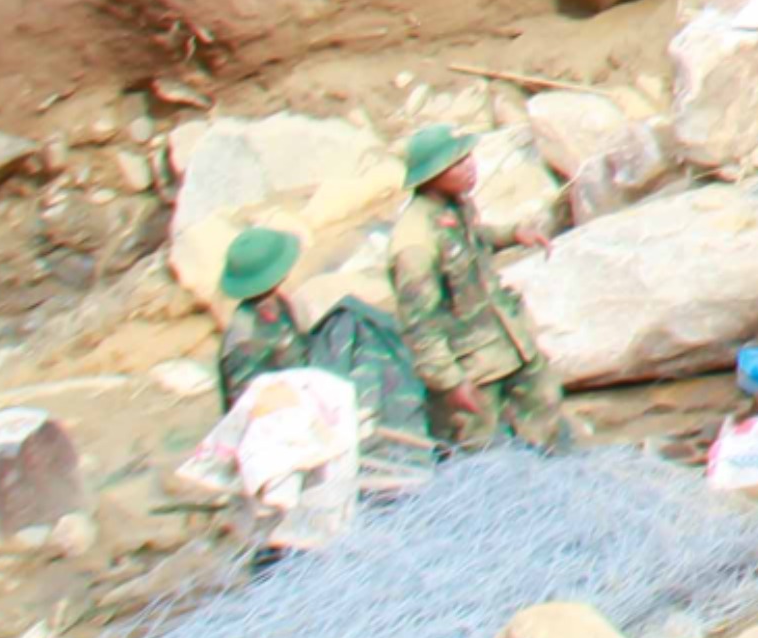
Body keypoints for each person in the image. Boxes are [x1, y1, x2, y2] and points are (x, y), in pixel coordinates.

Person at [382, 122, 566, 450]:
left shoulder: (457, 207)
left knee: (546, 407)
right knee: (476, 451)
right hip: (471, 367)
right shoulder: (415, 243)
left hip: (508, 341)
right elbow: (418, 326)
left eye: (468, 158)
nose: (470, 168)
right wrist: (450, 382)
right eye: (457, 163)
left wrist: (511, 235)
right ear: (431, 175)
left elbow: (470, 242)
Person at [211, 223, 432, 445]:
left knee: (351, 318)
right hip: (282, 417)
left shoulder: (277, 305)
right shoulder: (243, 340)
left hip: (305, 386)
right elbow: (248, 407)